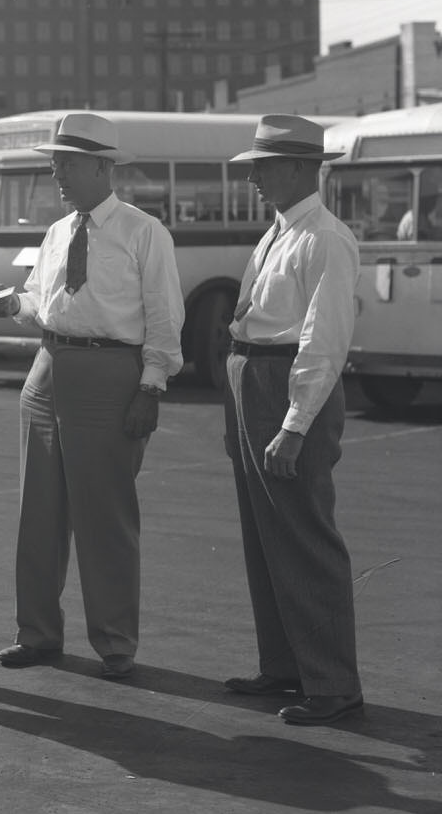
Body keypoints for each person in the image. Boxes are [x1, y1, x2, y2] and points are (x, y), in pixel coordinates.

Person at [0, 112, 184, 681]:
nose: (57, 174)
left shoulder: (144, 233)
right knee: (37, 514)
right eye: (54, 164)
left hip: (108, 374)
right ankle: (38, 633)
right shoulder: (55, 233)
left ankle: (116, 642)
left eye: (67, 163)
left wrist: (150, 387)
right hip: (47, 371)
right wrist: (13, 307)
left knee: (105, 516)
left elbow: (164, 320)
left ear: (103, 166)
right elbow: (41, 306)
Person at [221, 115, 364, 726]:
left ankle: (332, 682)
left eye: (265, 165)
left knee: (303, 532)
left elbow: (323, 341)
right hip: (253, 377)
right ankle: (284, 665)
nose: (254, 177)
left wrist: (294, 423)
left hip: (285, 382)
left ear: (305, 168)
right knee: (264, 532)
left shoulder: (325, 238)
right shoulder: (280, 232)